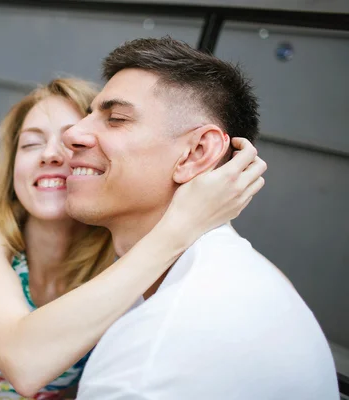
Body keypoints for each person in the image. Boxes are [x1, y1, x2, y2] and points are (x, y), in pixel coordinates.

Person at [0, 78, 265, 400]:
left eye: (70, 142)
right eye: (30, 144)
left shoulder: (119, 254)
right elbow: (24, 362)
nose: (50, 155)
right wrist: (180, 226)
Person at [61, 37, 339, 399]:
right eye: (89, 114)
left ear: (197, 152)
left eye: (116, 119)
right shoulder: (221, 272)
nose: (72, 134)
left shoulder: (157, 351)